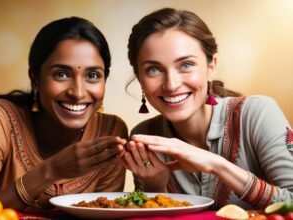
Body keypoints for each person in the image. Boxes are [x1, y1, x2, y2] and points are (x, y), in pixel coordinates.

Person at [121, 7, 293, 210]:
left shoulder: (257, 113)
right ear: (140, 77)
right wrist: (155, 185)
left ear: (211, 66)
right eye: (154, 69)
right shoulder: (143, 136)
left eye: (186, 65)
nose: (171, 84)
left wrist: (216, 165)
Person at [0, 16, 128, 210]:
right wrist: (50, 171)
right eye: (62, 74)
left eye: (92, 76)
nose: (78, 93)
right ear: (35, 79)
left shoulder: (110, 132)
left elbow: (105, 213)